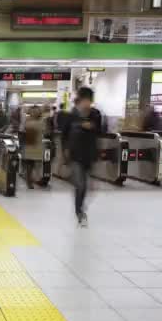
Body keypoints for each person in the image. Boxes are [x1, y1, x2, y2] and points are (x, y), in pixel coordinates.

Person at [61, 87, 102, 227]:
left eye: (89, 101)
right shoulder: (71, 115)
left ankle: (80, 206)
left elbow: (99, 131)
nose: (87, 104)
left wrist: (92, 127)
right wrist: (65, 150)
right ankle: (79, 212)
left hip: (89, 154)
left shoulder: (95, 115)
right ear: (80, 100)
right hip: (75, 155)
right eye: (85, 100)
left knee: (87, 187)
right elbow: (64, 135)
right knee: (80, 184)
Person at [22, 106, 45, 189]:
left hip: (37, 144)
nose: (35, 112)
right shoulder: (29, 120)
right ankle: (29, 181)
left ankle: (33, 178)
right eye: (33, 111)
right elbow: (26, 128)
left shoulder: (39, 120)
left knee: (36, 163)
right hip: (30, 143)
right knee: (30, 164)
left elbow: (43, 129)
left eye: (36, 111)